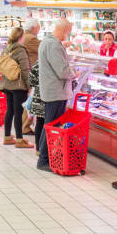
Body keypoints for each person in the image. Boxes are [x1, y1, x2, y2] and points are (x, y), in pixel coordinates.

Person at [36, 18, 76, 172]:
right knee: (52, 126)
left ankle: (44, 156)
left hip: (52, 91)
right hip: (56, 92)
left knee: (49, 125)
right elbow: (63, 71)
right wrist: (75, 73)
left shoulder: (48, 42)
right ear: (65, 29)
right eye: (69, 32)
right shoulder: (53, 44)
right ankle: (44, 160)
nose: (68, 35)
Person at [0, 27, 34, 148]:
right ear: (21, 37)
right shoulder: (21, 50)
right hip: (18, 85)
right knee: (18, 112)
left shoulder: (8, 48)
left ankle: (7, 137)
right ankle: (19, 140)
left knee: (10, 111)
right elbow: (25, 70)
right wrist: (30, 87)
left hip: (7, 84)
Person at [22, 17, 41, 135]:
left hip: (26, 71)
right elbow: (45, 48)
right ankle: (25, 126)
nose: (39, 29)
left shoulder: (25, 36)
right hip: (31, 72)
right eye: (39, 27)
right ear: (33, 28)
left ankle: (24, 125)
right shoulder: (31, 38)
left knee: (28, 100)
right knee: (30, 100)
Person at [27, 53, 46, 157]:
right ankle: (46, 149)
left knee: (40, 122)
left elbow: (31, 80)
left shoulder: (38, 63)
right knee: (48, 123)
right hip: (50, 98)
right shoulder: (54, 63)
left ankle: (38, 148)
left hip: (38, 97)